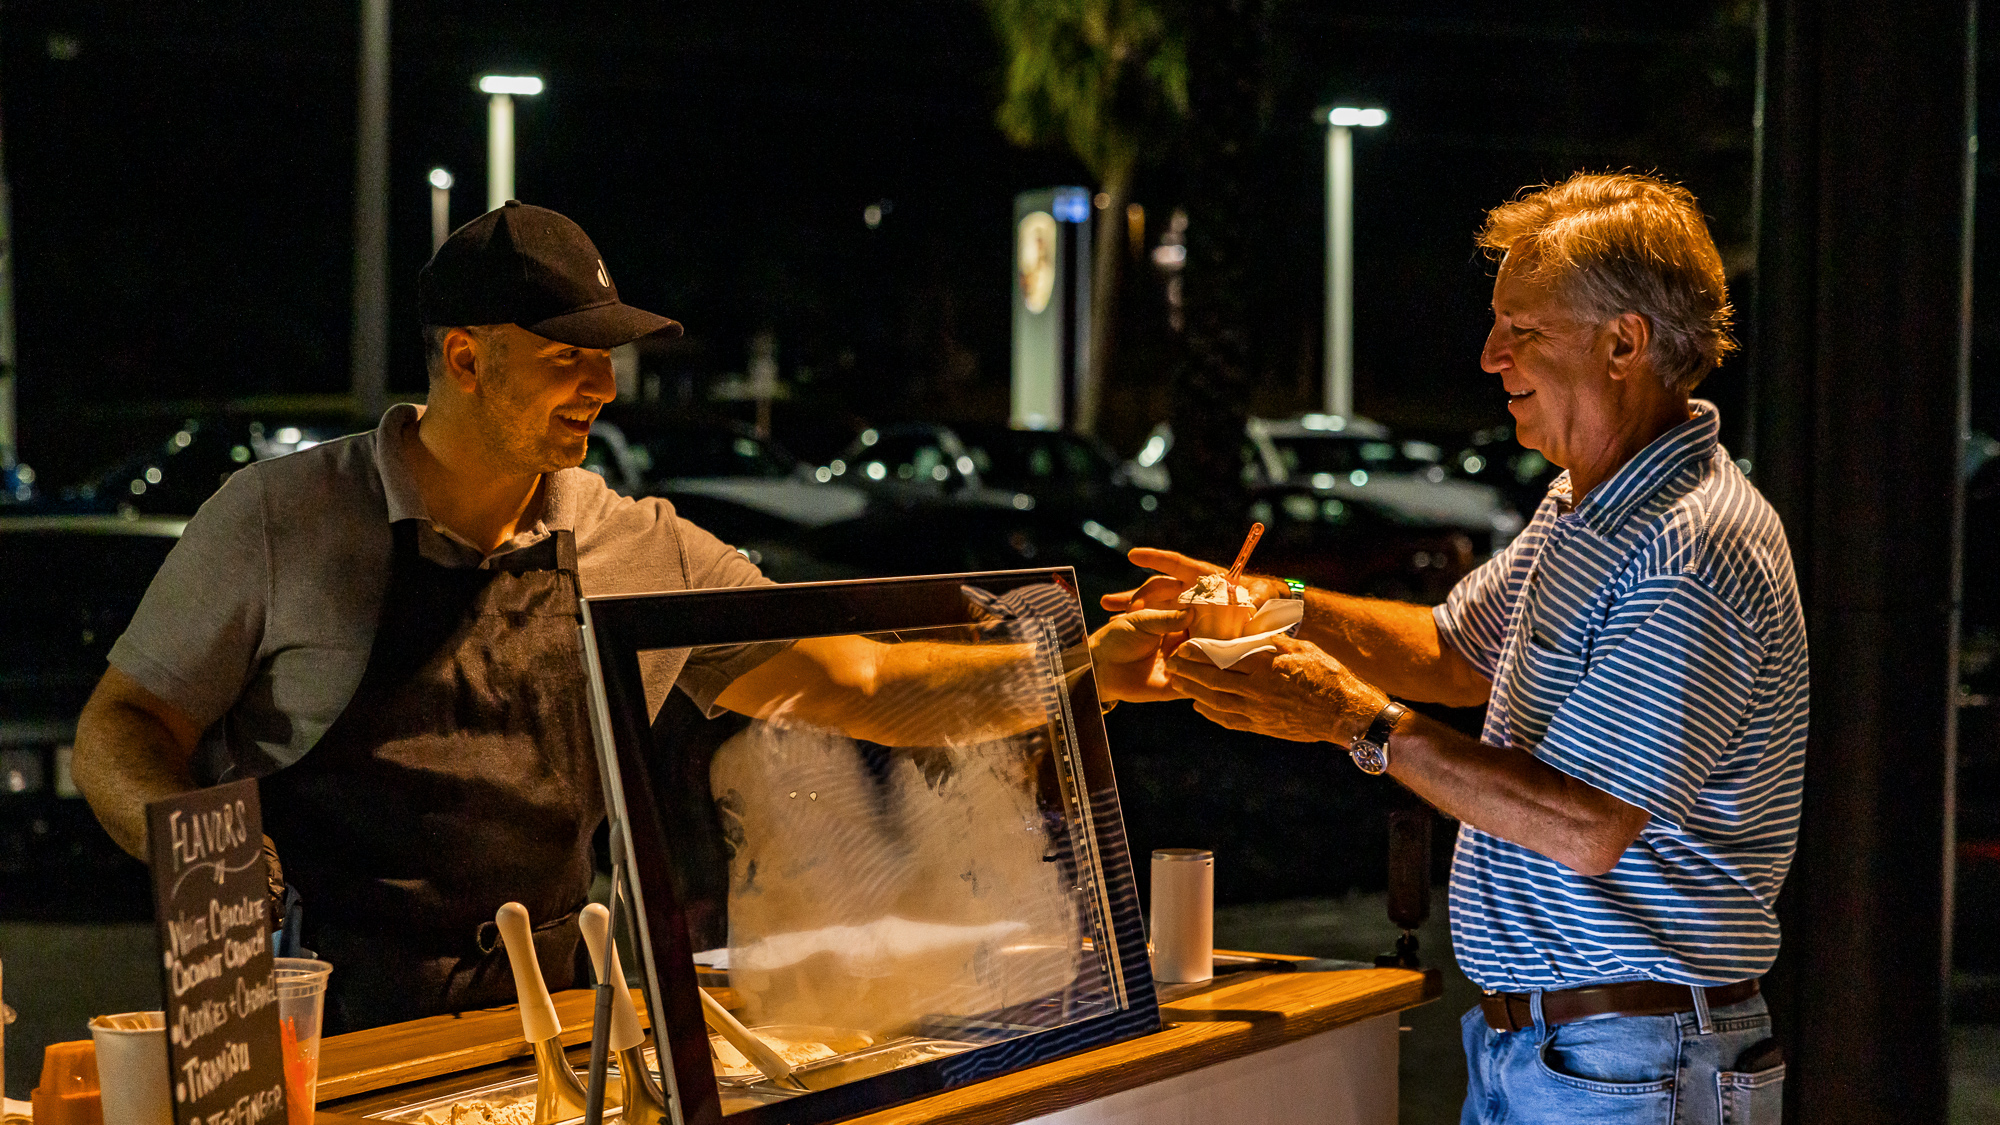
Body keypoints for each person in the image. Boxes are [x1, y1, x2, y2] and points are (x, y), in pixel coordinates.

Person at [71, 200, 1173, 1033]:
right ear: (464, 357)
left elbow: (858, 685)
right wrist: (203, 858)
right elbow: (125, 727)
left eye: (607, 356)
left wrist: (1081, 674)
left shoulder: (638, 543)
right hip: (313, 1022)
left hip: (548, 1026)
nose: (601, 384)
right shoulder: (280, 517)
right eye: (566, 357)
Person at [1109, 173, 1805, 1123]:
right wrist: (1285, 603)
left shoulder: (1691, 541)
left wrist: (1348, 717)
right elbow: (1449, 648)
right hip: (1559, 1049)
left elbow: (1587, 828)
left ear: (1624, 342)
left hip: (1633, 1059)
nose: (1489, 357)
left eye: (1522, 330)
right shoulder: (1584, 505)